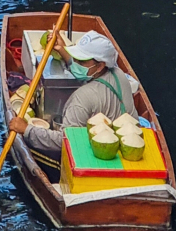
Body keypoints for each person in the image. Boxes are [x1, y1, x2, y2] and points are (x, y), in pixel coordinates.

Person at [8, 30, 138, 152]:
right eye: (75, 58)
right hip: (130, 140)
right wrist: (63, 51)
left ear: (100, 66)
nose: (76, 63)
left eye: (81, 61)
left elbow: (64, 141)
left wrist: (27, 129)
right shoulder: (118, 73)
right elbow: (80, 70)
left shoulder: (81, 98)